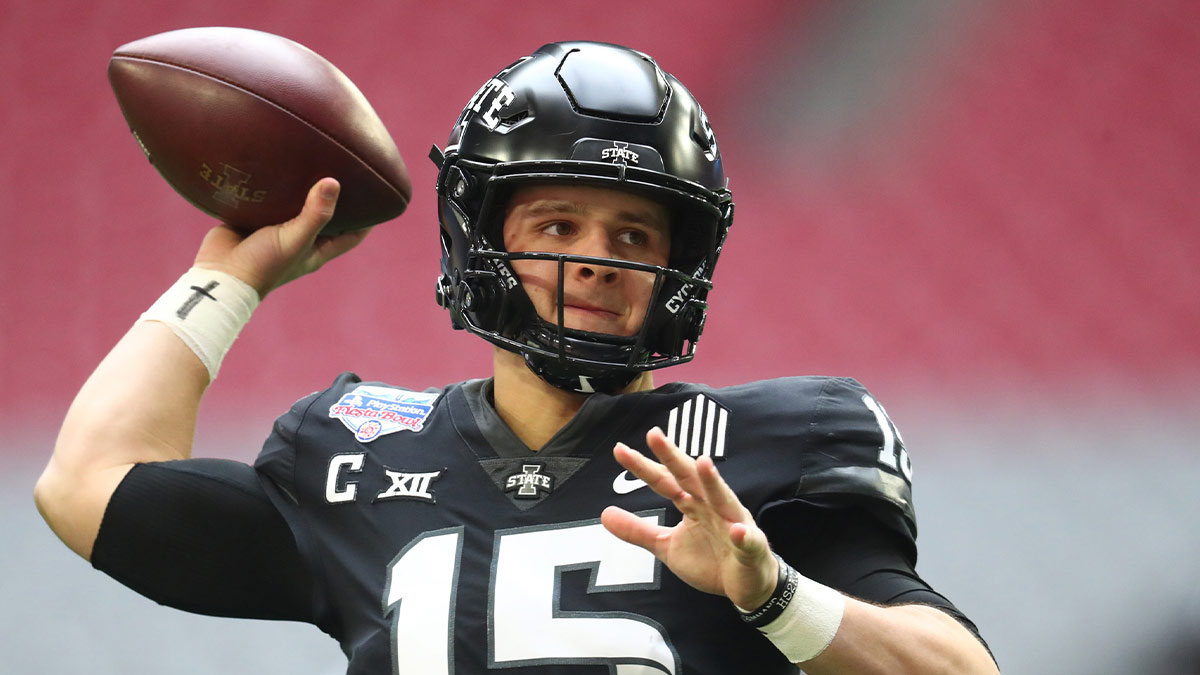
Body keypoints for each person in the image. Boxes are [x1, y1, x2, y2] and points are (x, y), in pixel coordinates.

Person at [35, 41, 998, 674]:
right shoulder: (356, 455)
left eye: (634, 236)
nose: (596, 261)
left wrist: (773, 594)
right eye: (558, 223)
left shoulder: (767, 446)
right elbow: (90, 485)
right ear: (484, 239)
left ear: (680, 263)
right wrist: (227, 277)